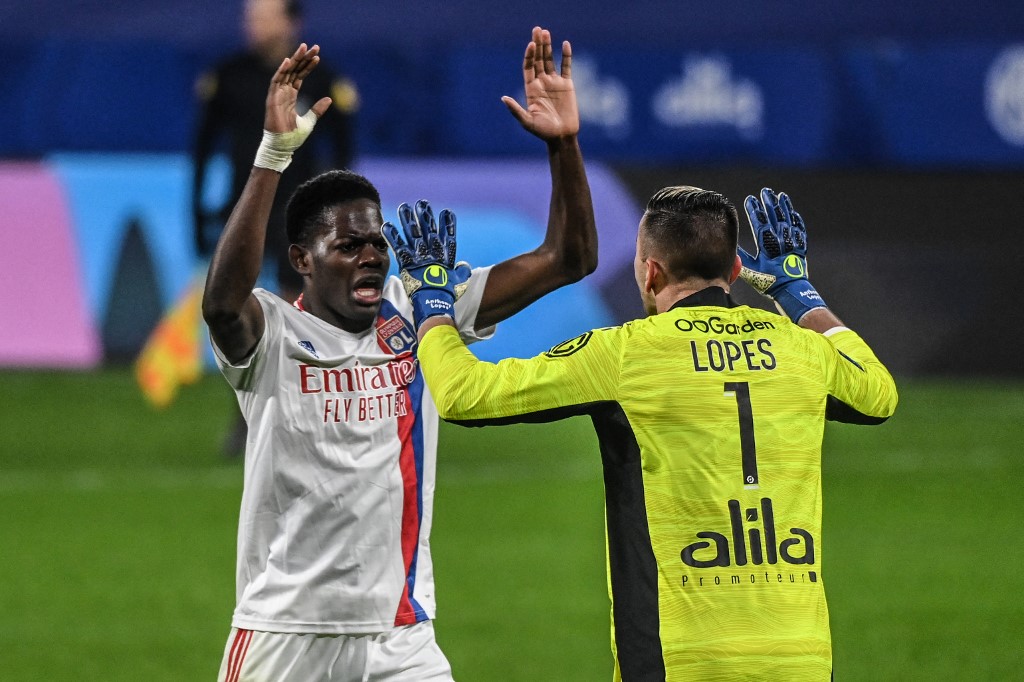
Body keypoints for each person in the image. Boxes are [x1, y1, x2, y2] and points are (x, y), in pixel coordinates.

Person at [202, 27, 596, 681]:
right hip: (286, 634)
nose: (371, 254)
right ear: (302, 261)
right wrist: (272, 155)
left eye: (377, 242)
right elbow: (222, 302)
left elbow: (568, 257)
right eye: (348, 245)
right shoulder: (270, 335)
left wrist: (563, 145)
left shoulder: (420, 310)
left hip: (402, 638)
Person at [403, 185, 898, 680]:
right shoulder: (801, 351)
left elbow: (464, 395)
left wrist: (432, 306)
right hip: (800, 657)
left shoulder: (625, 354)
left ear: (651, 271)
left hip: (678, 658)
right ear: (734, 272)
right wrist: (796, 294)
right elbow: (878, 393)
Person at [193, 0, 359, 456]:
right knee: (232, 314)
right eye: (250, 16)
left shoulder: (322, 79)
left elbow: (344, 151)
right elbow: (202, 148)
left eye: (262, 16)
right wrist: (197, 214)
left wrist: (338, 218)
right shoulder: (228, 76)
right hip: (244, 216)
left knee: (298, 316)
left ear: (291, 22)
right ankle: (247, 419)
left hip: (298, 219)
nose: (251, 24)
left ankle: (304, 415)